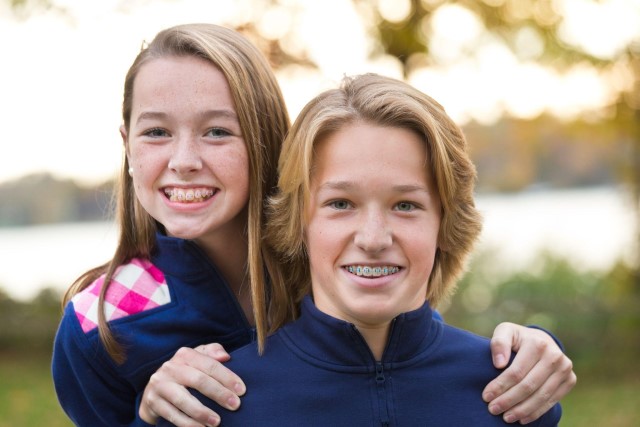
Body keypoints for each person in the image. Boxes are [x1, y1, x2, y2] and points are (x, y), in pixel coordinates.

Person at [51, 23, 574, 427]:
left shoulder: (328, 252)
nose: (184, 159)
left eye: (216, 131)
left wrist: (530, 347)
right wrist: (149, 414)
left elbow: (418, 346)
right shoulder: (100, 324)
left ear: (266, 139)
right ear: (126, 145)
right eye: (156, 132)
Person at [160, 73, 564, 426]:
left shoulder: (515, 391)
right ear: (299, 222)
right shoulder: (215, 403)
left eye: (405, 205)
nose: (373, 239)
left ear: (445, 223)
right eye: (341, 204)